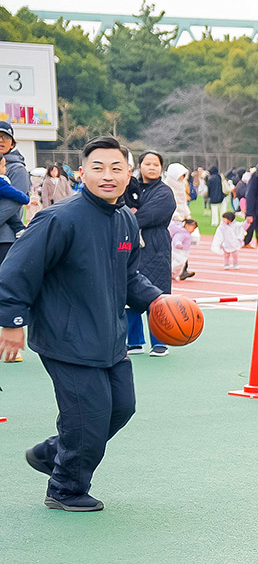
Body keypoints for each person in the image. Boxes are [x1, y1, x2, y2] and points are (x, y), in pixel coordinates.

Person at [0, 136, 167, 511]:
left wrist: (158, 299)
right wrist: (11, 322)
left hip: (109, 337)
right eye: (98, 167)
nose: (107, 175)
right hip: (67, 337)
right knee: (88, 418)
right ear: (82, 172)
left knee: (121, 407)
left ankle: (52, 454)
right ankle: (65, 488)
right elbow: (15, 270)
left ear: (129, 174)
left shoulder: (124, 219)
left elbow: (129, 277)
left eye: (116, 168)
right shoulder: (59, 217)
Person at [125, 150, 176, 356]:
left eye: (156, 164)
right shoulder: (129, 186)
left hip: (155, 247)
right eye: (147, 164)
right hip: (130, 246)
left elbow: (149, 215)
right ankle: (134, 341)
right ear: (140, 166)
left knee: (157, 294)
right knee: (129, 293)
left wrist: (128, 216)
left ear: (161, 168)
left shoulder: (164, 192)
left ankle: (160, 341)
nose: (152, 167)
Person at [0, 121, 31, 268]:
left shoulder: (17, 169)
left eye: (5, 137)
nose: (1, 140)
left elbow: (12, 203)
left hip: (5, 239)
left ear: (12, 144)